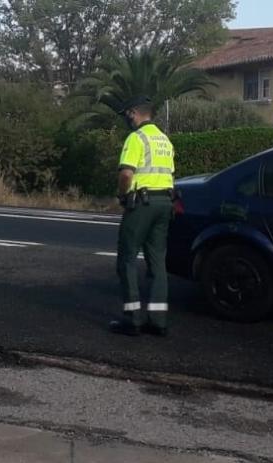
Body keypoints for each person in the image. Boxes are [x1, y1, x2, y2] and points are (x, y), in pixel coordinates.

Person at [109, 95, 176, 337]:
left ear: (134, 113)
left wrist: (122, 195)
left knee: (126, 259)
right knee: (157, 262)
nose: (127, 118)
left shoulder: (136, 138)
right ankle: (158, 321)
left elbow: (126, 174)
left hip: (142, 204)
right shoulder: (164, 140)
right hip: (165, 203)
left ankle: (133, 319)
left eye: (128, 114)